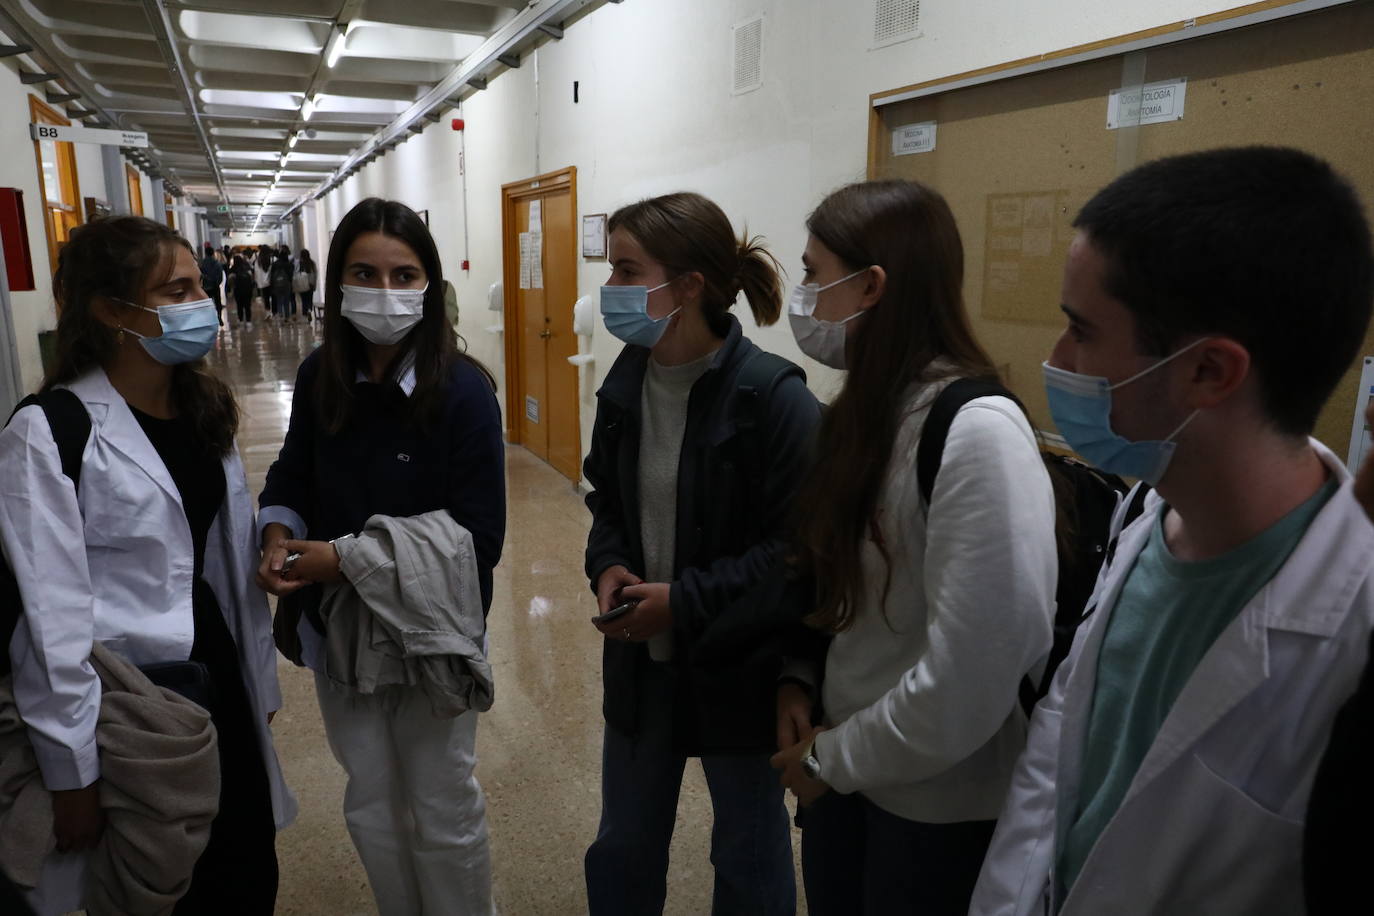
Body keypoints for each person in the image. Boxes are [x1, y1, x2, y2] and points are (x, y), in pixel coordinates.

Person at [969, 146, 1374, 915]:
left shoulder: (1356, 629)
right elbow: (1062, 766)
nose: (1056, 360)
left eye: (1081, 332)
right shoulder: (1143, 516)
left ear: (1209, 373)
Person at [767, 180, 1056, 915]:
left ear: (871, 287)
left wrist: (837, 758)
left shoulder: (976, 431)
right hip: (846, 778)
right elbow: (841, 596)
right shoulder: (865, 414)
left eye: (813, 273)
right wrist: (800, 681)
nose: (804, 298)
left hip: (934, 808)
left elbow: (976, 671)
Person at [0, 215, 294, 914]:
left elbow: (221, 569)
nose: (202, 302)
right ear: (109, 309)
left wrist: (260, 687)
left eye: (199, 285)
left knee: (242, 866)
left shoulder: (203, 411)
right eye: (176, 290)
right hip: (122, 702)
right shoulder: (50, 432)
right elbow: (50, 619)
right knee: (156, 884)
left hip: (215, 678)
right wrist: (73, 773)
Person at [257, 198, 506, 916]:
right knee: (369, 798)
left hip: (435, 635)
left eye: (404, 275)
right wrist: (278, 531)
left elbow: (479, 537)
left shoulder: (462, 391)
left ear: (429, 285)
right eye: (365, 273)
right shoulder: (318, 377)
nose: (385, 293)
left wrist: (344, 558)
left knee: (442, 801)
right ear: (337, 283)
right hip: (340, 632)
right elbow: (292, 472)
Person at [582, 191, 823, 915]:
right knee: (623, 846)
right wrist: (608, 563)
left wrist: (681, 603)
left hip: (740, 673)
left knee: (748, 854)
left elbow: (796, 552)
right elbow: (608, 502)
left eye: (627, 271)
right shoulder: (627, 380)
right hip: (641, 669)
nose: (611, 290)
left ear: (687, 287)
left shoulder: (773, 400)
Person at [200, 242, 225, 327]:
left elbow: (200, 275)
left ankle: (209, 320)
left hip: (206, 287)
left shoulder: (202, 263)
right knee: (218, 303)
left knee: (207, 304)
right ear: (213, 253)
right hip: (215, 286)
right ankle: (219, 318)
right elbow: (220, 275)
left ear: (206, 253)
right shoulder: (217, 263)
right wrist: (217, 283)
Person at [230, 254, 255, 329]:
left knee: (239, 306)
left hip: (238, 290)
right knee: (247, 306)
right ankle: (248, 321)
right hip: (248, 290)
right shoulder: (247, 267)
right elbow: (252, 279)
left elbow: (230, 281)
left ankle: (240, 321)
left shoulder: (233, 269)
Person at [270, 248, 294, 322]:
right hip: (286, 285)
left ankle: (280, 314)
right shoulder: (288, 264)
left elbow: (271, 275)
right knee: (286, 301)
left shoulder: (274, 264)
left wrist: (272, 285)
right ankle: (287, 316)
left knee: (279, 300)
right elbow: (291, 275)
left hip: (277, 285)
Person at [294, 249, 317, 321]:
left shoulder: (299, 263)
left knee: (304, 300)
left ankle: (305, 315)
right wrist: (314, 285)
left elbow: (296, 273)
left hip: (302, 284)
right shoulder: (312, 263)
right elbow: (315, 274)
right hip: (311, 284)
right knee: (310, 299)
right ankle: (309, 310)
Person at [254, 248, 272, 319]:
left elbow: (256, 272)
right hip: (271, 281)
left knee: (266, 298)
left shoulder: (258, 261)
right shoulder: (271, 259)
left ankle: (268, 312)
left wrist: (257, 281)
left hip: (263, 283)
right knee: (273, 297)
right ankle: (275, 312)